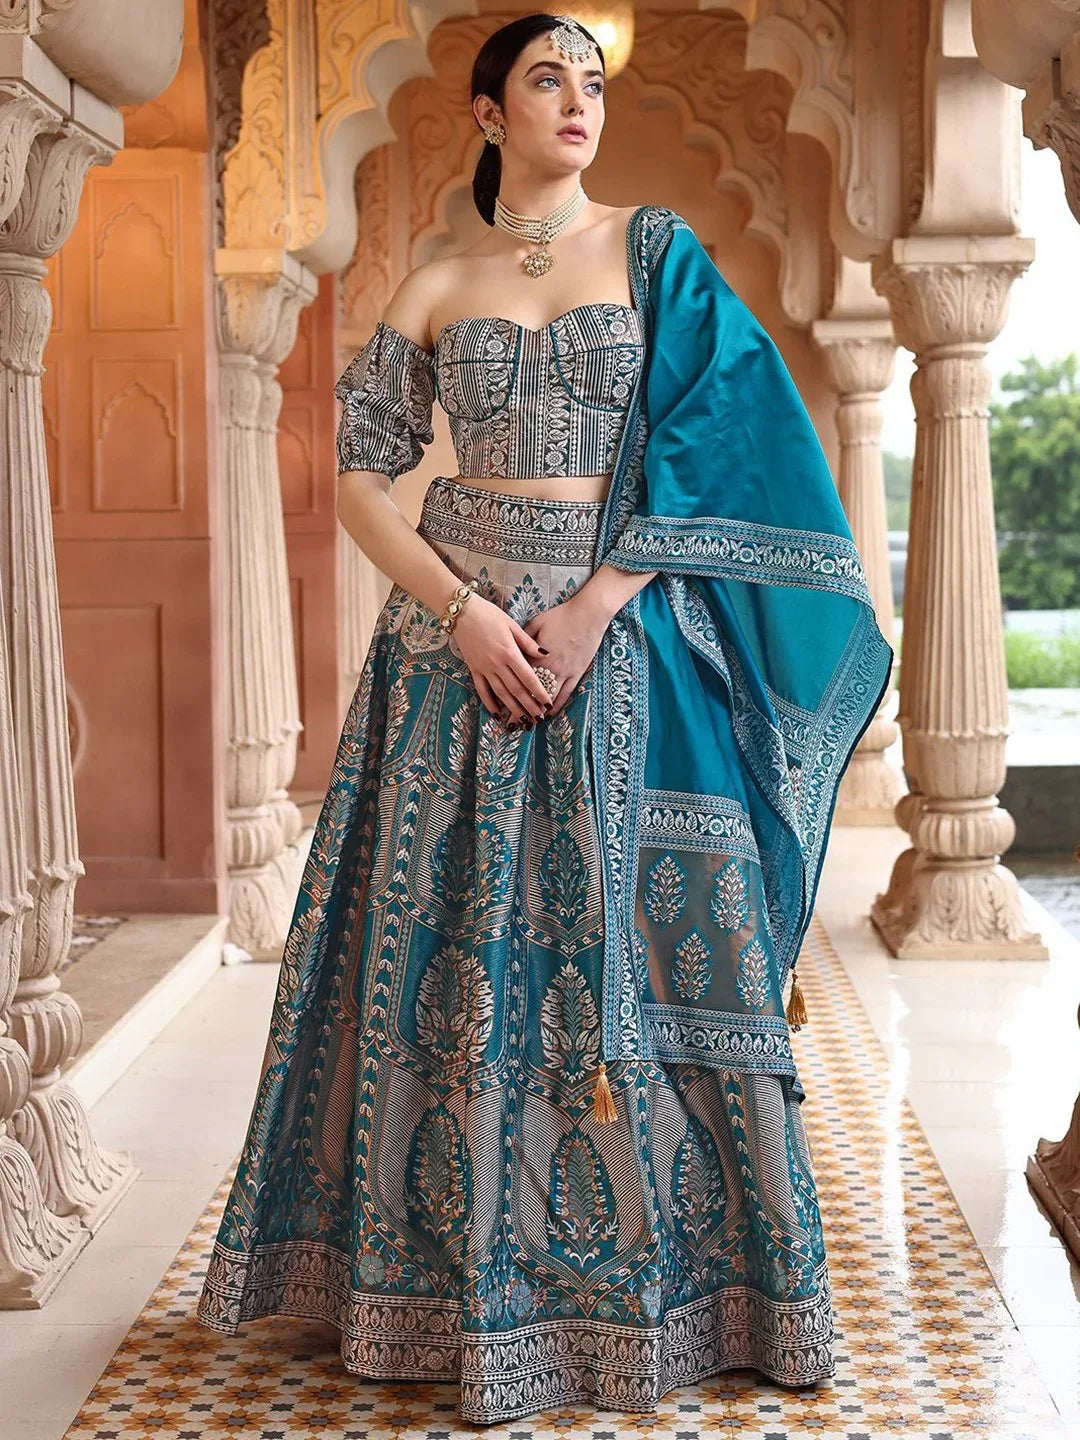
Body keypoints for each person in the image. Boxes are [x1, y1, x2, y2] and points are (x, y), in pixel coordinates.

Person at [195, 11, 893, 1425]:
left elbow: (724, 438)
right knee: (445, 966)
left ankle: (699, 1289)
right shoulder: (435, 276)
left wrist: (589, 608)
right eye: (547, 81)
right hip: (451, 663)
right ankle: (436, 1291)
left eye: (592, 82)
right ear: (486, 111)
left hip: (619, 649)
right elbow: (360, 481)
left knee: (652, 952)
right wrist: (460, 616)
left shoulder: (654, 254)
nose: (579, 102)